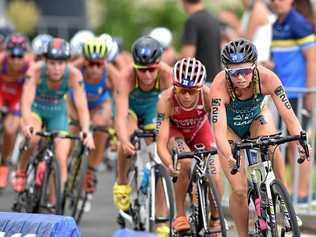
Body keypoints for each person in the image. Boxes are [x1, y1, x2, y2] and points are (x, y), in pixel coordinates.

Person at [209, 38, 309, 237]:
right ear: (226, 71)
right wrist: (228, 155)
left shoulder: (268, 78)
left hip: (256, 119)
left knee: (272, 143)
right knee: (239, 189)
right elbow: (218, 130)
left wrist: (300, 138)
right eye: (234, 72)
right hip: (230, 129)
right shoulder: (219, 86)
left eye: (245, 71)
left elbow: (289, 115)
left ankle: (284, 199)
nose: (240, 77)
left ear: (255, 66)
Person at [12, 38, 94, 195]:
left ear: (67, 63)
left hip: (58, 112)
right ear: (45, 61)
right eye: (52, 63)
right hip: (37, 110)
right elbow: (26, 101)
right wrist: (27, 123)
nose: (57, 68)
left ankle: (54, 203)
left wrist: (86, 130)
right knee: (34, 137)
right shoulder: (35, 71)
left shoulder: (74, 75)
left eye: (61, 63)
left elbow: (82, 106)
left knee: (61, 157)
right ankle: (21, 170)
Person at [113, 36, 173, 237]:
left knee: (158, 158)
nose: (147, 75)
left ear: (159, 66)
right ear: (135, 67)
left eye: (152, 69)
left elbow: (171, 112)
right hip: (130, 111)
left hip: (151, 111)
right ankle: (122, 183)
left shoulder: (166, 75)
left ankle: (162, 218)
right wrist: (122, 139)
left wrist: (164, 138)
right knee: (128, 137)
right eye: (142, 70)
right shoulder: (126, 76)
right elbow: (120, 115)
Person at [156, 57, 223, 235]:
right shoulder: (165, 100)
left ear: (200, 88)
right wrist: (169, 164)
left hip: (201, 131)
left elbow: (220, 125)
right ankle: (179, 215)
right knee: (184, 162)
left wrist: (223, 148)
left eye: (192, 91)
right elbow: (160, 143)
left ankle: (215, 218)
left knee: (215, 176)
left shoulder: (208, 95)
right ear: (174, 85)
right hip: (176, 134)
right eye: (182, 89)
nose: (186, 95)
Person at [270, 0, 316, 204]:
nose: (276, 2)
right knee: (283, 144)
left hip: (298, 94)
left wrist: (308, 93)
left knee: (300, 142)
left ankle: (303, 194)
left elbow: (312, 59)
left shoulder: (298, 23)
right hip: (281, 94)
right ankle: (289, 192)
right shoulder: (276, 25)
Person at [68, 37, 119, 195]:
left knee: (101, 127)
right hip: (75, 104)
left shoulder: (110, 71)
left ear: (104, 62)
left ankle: (90, 171)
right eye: (91, 63)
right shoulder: (75, 68)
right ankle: (63, 163)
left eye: (99, 64)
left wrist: (116, 131)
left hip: (98, 106)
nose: (95, 69)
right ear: (84, 61)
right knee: (70, 133)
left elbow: (120, 98)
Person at [0, 33, 30, 189]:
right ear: (7, 53)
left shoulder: (29, 65)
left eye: (20, 56)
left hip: (17, 97)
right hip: (2, 92)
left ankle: (3, 164)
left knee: (10, 130)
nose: (17, 60)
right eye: (13, 55)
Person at [180, 0, 221, 82]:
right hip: (215, 79)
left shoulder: (192, 21)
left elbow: (187, 58)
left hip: (199, 81)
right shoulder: (213, 20)